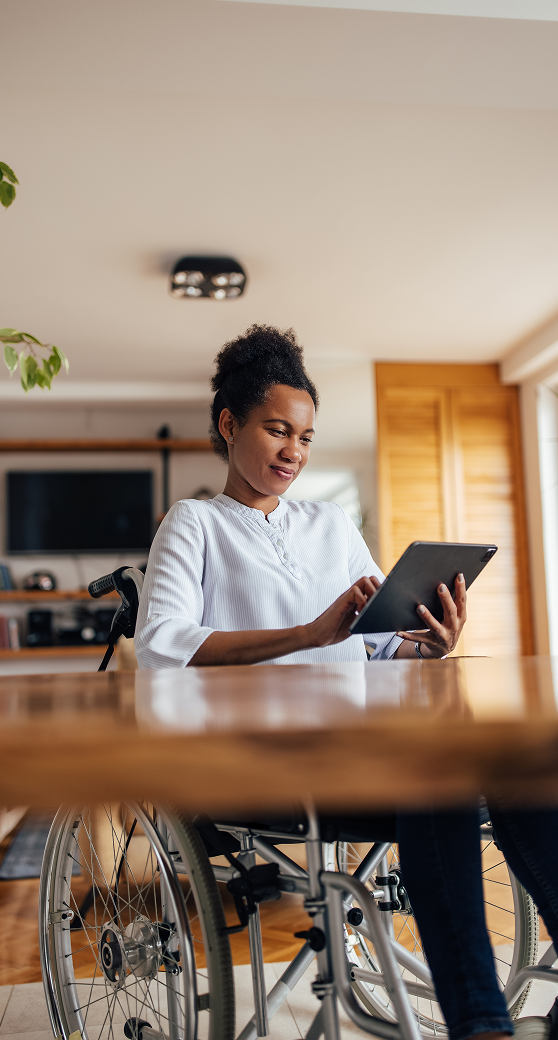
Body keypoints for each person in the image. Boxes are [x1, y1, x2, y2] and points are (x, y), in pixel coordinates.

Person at [136, 324, 558, 1040]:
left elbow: (377, 647)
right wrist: (308, 635)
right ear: (229, 423)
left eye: (304, 437)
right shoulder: (195, 524)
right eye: (276, 430)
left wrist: (427, 642)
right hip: (258, 760)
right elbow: (162, 647)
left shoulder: (330, 522)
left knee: (511, 765)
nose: (293, 452)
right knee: (436, 776)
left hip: (364, 746)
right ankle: (481, 1024)